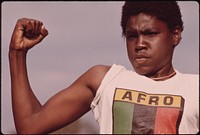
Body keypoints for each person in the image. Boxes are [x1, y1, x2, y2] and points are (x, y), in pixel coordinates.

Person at [9, 1, 199, 134]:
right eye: (131, 36)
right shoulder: (105, 79)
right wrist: (17, 53)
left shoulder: (195, 88)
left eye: (150, 33)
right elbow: (29, 127)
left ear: (175, 35)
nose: (139, 44)